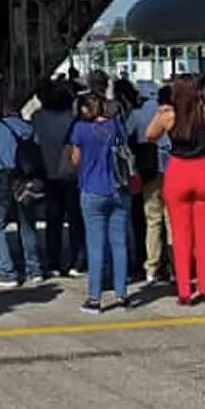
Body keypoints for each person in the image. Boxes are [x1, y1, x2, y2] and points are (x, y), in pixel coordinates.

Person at [146, 73, 205, 306]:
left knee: (180, 235)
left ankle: (185, 290)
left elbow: (149, 136)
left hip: (178, 170)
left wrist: (160, 115)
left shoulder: (168, 116)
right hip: (204, 170)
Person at [69, 93, 133, 312]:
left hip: (92, 188)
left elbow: (75, 160)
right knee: (119, 242)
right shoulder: (115, 126)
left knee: (95, 244)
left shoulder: (80, 129)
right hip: (118, 188)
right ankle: (122, 293)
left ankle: (95, 298)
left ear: (87, 109)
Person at [0, 93, 44, 288]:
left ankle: (8, 273)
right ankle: (35, 269)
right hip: (24, 176)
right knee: (27, 223)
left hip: (0, 178)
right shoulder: (23, 126)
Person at [33, 81, 85, 278]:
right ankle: (76, 261)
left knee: (53, 219)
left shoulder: (38, 118)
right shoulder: (72, 119)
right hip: (71, 172)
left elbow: (35, 141)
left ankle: (53, 262)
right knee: (74, 219)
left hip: (48, 171)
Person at [126, 85, 171, 284]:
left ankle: (151, 266)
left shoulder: (136, 115)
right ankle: (173, 264)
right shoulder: (171, 114)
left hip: (149, 170)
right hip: (171, 170)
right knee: (171, 221)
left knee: (152, 220)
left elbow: (127, 139)